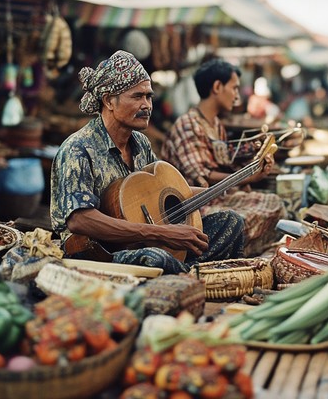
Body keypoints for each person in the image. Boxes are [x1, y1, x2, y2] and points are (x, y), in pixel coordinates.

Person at [50, 50, 245, 274]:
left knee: (230, 222)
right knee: (155, 258)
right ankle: (185, 272)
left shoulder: (140, 143)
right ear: (109, 101)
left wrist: (213, 191)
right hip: (97, 253)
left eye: (149, 96)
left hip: (142, 243)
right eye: (137, 96)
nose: (147, 105)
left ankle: (179, 271)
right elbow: (79, 220)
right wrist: (159, 233)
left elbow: (159, 191)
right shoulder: (78, 149)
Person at [161, 58, 286, 257]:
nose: (237, 95)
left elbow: (224, 164)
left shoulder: (216, 124)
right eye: (234, 88)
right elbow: (204, 175)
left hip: (219, 199)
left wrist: (256, 165)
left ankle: (239, 251)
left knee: (273, 202)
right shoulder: (188, 125)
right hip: (192, 207)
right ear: (217, 87)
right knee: (242, 218)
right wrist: (248, 177)